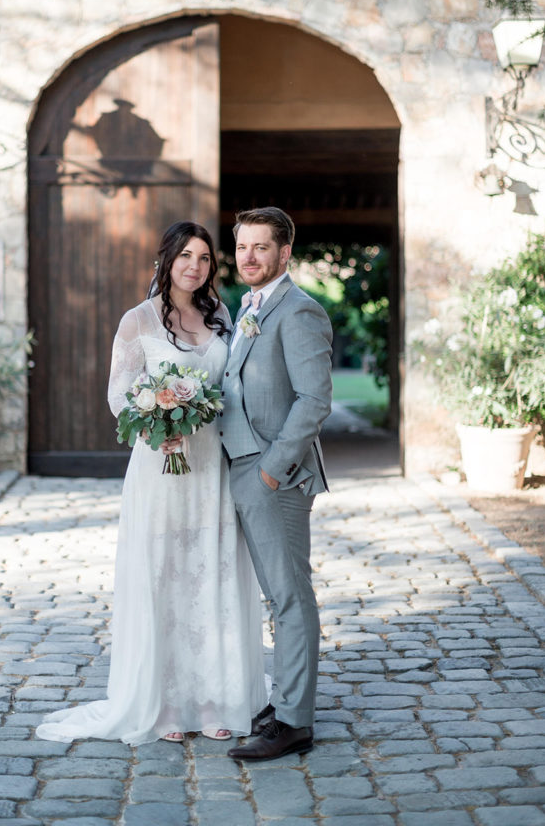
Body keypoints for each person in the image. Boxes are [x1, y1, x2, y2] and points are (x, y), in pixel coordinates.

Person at [36, 221, 266, 746]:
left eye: (205, 258)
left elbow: (230, 384)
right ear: (166, 260)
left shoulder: (221, 315)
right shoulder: (136, 321)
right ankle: (163, 702)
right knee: (165, 575)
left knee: (212, 572)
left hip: (212, 463)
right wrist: (155, 427)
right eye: (186, 255)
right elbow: (120, 397)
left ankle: (213, 697)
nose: (195, 266)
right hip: (162, 466)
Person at [220, 206, 333, 762]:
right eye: (242, 247)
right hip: (241, 468)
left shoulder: (300, 311)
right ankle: (286, 698)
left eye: (261, 247)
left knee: (290, 596)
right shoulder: (250, 307)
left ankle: (293, 722)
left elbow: (314, 400)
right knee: (274, 594)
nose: (249, 257)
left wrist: (271, 469)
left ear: (284, 253)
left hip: (275, 476)